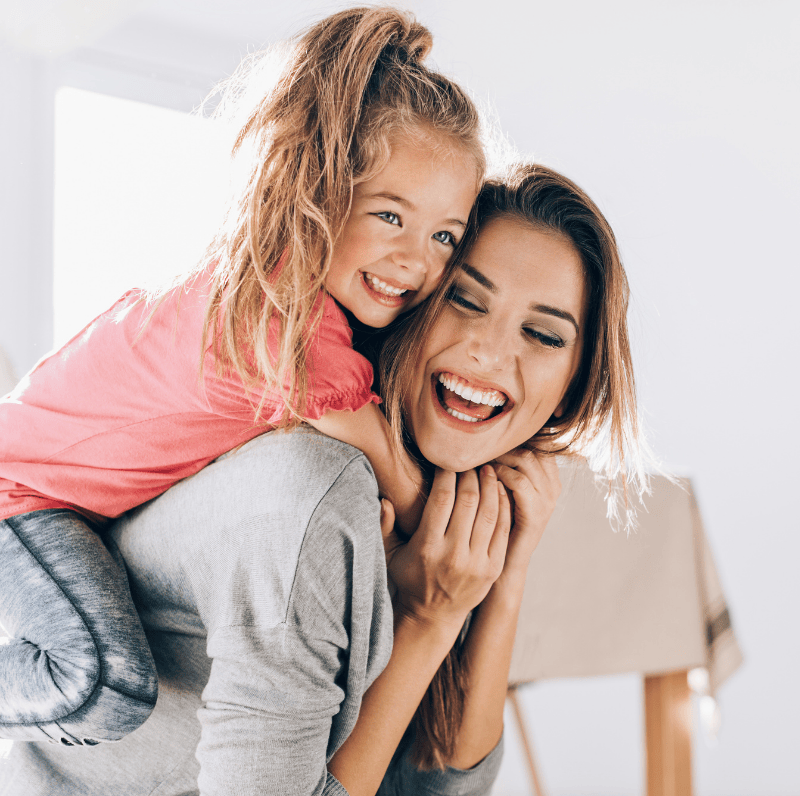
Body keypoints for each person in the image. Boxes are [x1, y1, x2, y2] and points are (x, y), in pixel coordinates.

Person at [0, 162, 644, 795]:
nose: (492, 351)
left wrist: (502, 577)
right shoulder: (314, 490)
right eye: (465, 300)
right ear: (409, 297)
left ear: (572, 386)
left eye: (544, 335)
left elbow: (436, 784)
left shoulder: (442, 496)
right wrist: (428, 618)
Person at [0, 7, 483, 744]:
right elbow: (399, 482)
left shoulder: (271, 290)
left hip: (47, 494)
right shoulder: (281, 318)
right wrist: (466, 548)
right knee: (105, 684)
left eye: (445, 235)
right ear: (320, 189)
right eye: (390, 217)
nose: (417, 259)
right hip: (18, 495)